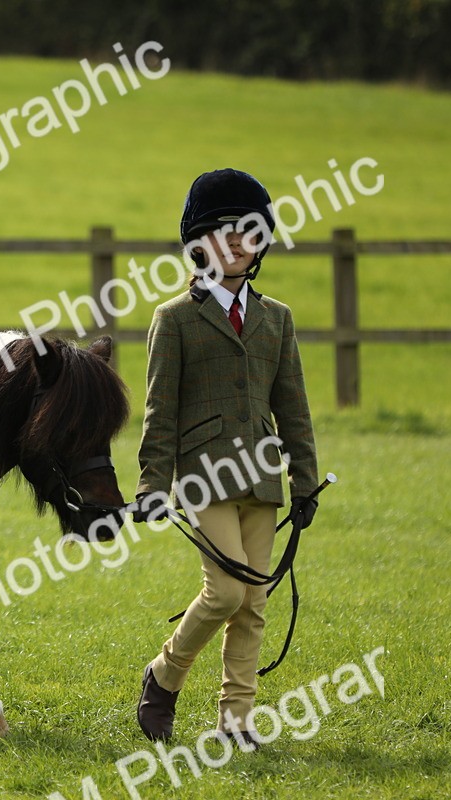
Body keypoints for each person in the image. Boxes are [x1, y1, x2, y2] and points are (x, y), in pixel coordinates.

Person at [130, 168, 319, 748]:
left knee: (254, 602)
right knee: (227, 591)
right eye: (223, 232)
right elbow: (160, 412)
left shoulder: (277, 319)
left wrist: (305, 480)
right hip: (203, 479)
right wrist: (151, 486)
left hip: (262, 478)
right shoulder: (175, 320)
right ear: (198, 243)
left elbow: (294, 409)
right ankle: (164, 677)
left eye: (249, 232)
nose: (237, 243)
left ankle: (236, 719)